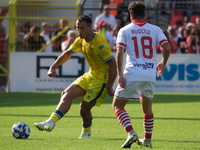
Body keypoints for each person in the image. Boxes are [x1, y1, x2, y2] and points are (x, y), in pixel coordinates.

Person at [34, 15, 117, 139]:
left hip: (102, 80)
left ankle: (86, 132)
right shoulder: (80, 40)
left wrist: (109, 85)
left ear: (90, 28)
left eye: (82, 28)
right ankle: (51, 122)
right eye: (78, 28)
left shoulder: (100, 43)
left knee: (84, 109)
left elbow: (112, 64)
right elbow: (67, 53)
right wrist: (53, 67)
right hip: (91, 74)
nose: (79, 31)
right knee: (66, 94)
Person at [112, 1, 171, 148]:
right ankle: (148, 140)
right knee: (147, 108)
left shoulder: (124, 30)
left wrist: (120, 74)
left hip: (132, 72)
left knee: (117, 105)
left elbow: (120, 53)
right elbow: (167, 47)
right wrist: (163, 62)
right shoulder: (155, 29)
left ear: (131, 15)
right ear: (145, 14)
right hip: (150, 74)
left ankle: (131, 133)